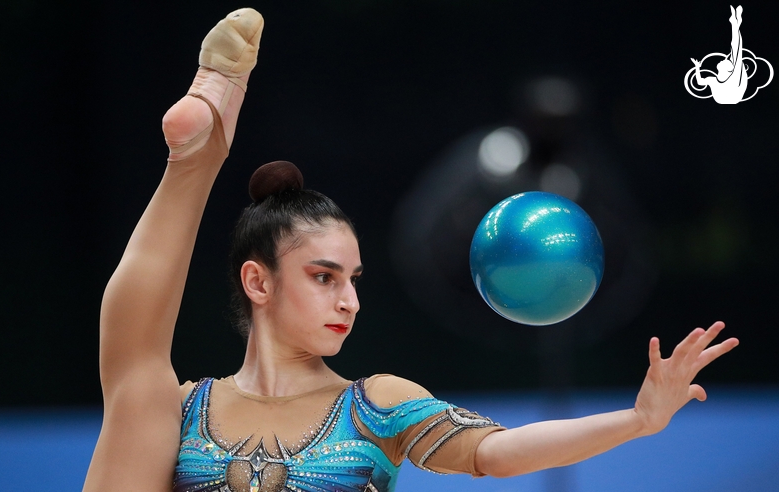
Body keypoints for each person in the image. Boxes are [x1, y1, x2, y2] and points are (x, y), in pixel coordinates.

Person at [83, 8, 739, 492]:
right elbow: (134, 346)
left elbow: (498, 453)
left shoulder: (377, 404)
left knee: (139, 383)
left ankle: (200, 155)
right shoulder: (184, 410)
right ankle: (196, 158)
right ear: (259, 282)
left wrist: (637, 419)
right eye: (324, 277)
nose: (350, 299)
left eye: (354, 279)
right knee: (139, 389)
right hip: (167, 424)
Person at [691, 5, 747, 104]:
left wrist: (697, 67)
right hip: (729, 97)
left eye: (726, 61)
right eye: (727, 60)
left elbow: (736, 49)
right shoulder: (714, 80)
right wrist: (697, 67)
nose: (723, 59)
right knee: (736, 52)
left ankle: (735, 24)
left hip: (732, 95)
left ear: (728, 69)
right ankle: (735, 24)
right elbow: (699, 82)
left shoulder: (729, 78)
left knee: (736, 51)